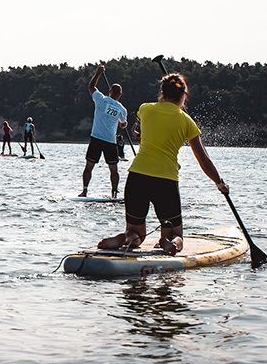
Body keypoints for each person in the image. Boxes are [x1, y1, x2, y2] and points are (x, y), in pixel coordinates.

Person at [98, 73, 229, 255]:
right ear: (183, 95)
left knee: (136, 234)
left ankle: (123, 238)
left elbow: (141, 135)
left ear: (162, 92)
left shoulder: (145, 109)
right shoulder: (187, 122)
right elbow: (204, 161)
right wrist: (220, 183)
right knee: (176, 233)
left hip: (137, 176)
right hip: (165, 180)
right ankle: (168, 242)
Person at [80, 65, 128, 199]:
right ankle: (114, 193)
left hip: (96, 138)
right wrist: (124, 124)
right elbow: (123, 124)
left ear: (110, 91)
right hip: (110, 141)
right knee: (113, 169)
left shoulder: (101, 100)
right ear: (120, 95)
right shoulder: (122, 109)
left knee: (89, 166)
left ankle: (84, 191)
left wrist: (98, 73)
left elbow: (91, 87)